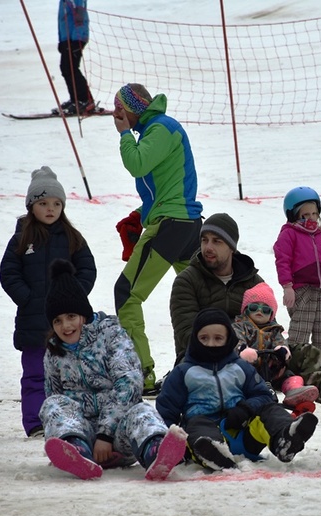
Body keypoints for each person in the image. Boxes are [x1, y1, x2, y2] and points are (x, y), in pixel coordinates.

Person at [170, 213, 321, 405]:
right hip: (207, 356)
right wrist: (237, 350)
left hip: (258, 353)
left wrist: (275, 352)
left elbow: (268, 322)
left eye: (217, 241)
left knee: (303, 353)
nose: (208, 247)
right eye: (204, 240)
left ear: (231, 247)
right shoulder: (187, 281)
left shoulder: (252, 281)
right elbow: (188, 334)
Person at [39, 259, 188, 481]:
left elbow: (129, 383)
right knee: (52, 404)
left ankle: (156, 451)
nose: (66, 326)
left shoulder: (111, 336)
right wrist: (67, 434)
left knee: (141, 411)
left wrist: (105, 434)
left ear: (84, 315)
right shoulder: (54, 353)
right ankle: (75, 451)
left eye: (71, 317)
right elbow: (55, 396)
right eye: (58, 321)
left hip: (118, 435)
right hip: (84, 434)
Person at [112, 83, 202, 394]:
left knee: (126, 293)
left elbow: (137, 163)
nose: (115, 114)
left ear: (132, 109)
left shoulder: (160, 128)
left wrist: (124, 133)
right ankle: (205, 366)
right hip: (184, 222)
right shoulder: (158, 128)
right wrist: (143, 212)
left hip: (173, 223)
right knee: (197, 297)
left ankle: (140, 374)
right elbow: (167, 183)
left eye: (119, 108)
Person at [156, 308, 318, 471]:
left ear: (228, 340)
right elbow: (166, 411)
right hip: (201, 436)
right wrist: (170, 444)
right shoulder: (184, 372)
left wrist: (246, 409)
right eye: (204, 338)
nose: (211, 343)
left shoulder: (240, 367)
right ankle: (214, 453)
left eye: (218, 338)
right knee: (196, 422)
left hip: (244, 434)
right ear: (195, 340)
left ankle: (285, 439)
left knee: (269, 410)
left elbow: (263, 395)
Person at [0, 166, 96, 438]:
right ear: (32, 206)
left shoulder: (73, 239)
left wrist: (73, 296)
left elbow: (88, 270)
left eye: (56, 204)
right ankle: (35, 424)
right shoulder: (21, 240)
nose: (50, 209)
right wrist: (26, 298)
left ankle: (70, 424)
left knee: (69, 377)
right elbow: (8, 273)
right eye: (43, 203)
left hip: (67, 325)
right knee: (34, 376)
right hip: (33, 323)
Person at [274, 186, 321, 358]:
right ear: (294, 215)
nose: (311, 218)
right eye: (305, 215)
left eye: (314, 214)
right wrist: (287, 287)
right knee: (300, 335)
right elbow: (283, 261)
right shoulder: (289, 235)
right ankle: (292, 367)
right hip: (302, 292)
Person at [233, 281, 318, 411]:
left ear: (271, 314)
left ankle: (294, 390)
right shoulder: (240, 326)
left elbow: (280, 341)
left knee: (288, 374)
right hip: (248, 368)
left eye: (265, 310)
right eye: (254, 308)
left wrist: (282, 350)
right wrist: (242, 349)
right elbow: (235, 339)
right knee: (240, 376)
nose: (259, 312)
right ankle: (244, 397)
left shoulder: (274, 330)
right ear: (246, 310)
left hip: (270, 368)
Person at [53, 0, 94, 116]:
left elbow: (79, 16)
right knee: (65, 68)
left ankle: (85, 100)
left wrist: (77, 40)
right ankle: (75, 99)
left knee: (71, 68)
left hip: (76, 37)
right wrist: (62, 40)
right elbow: (63, 20)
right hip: (67, 37)